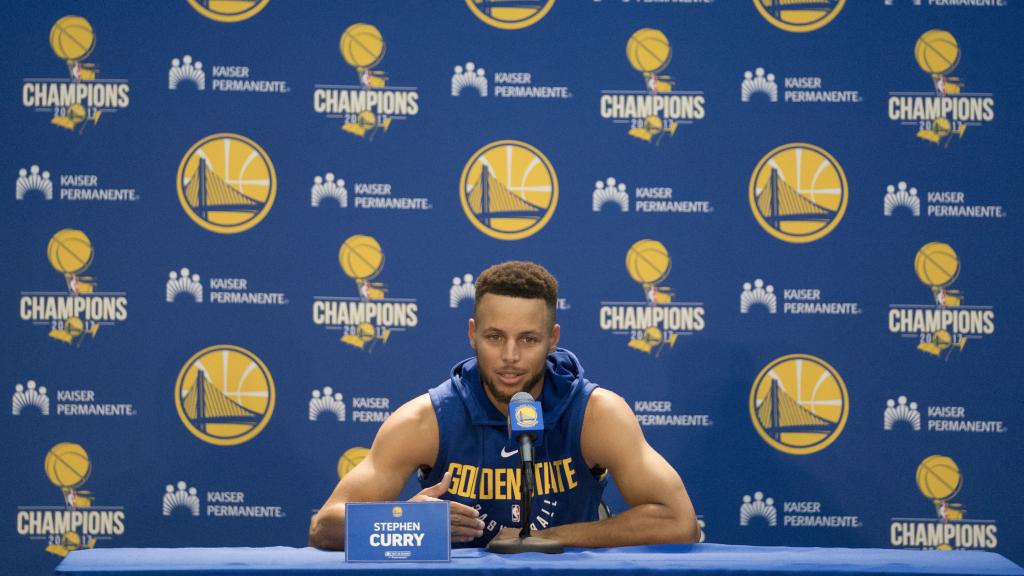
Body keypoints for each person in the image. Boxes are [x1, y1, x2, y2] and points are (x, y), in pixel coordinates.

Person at [309, 261, 699, 549]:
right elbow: (324, 527)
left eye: (528, 339)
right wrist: (412, 521)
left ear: (552, 339)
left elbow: (680, 522)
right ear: (472, 334)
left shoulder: (596, 414)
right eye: (495, 337)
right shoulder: (425, 420)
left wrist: (547, 538)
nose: (510, 356)